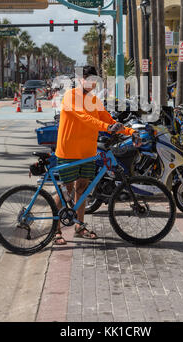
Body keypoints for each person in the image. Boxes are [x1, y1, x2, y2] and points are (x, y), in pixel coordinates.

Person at [54, 65, 140, 245]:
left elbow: (108, 119)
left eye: (94, 80)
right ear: (80, 80)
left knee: (83, 189)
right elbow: (84, 117)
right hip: (68, 151)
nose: (91, 83)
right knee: (66, 191)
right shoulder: (70, 96)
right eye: (87, 79)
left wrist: (130, 132)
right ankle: (56, 231)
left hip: (87, 152)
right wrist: (106, 127)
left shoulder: (93, 101)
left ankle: (80, 225)